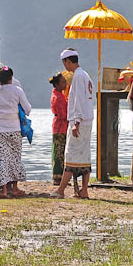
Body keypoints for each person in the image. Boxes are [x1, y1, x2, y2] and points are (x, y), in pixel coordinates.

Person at [0, 66, 31, 197]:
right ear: (11, 78)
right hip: (14, 129)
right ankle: (14, 188)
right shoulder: (18, 90)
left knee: (2, 159)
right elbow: (28, 109)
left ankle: (4, 190)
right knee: (15, 158)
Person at [55, 49, 95, 198]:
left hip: (80, 120)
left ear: (67, 61)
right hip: (87, 118)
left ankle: (61, 190)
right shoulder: (85, 75)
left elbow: (79, 100)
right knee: (84, 155)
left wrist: (75, 122)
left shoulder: (78, 76)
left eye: (64, 63)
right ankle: (83, 190)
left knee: (71, 154)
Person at [49, 73, 69, 185]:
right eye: (63, 82)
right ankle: (58, 177)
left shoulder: (58, 95)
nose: (65, 84)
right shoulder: (59, 98)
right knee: (59, 152)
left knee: (59, 151)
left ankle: (60, 177)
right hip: (61, 127)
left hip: (59, 127)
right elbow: (63, 115)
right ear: (57, 84)